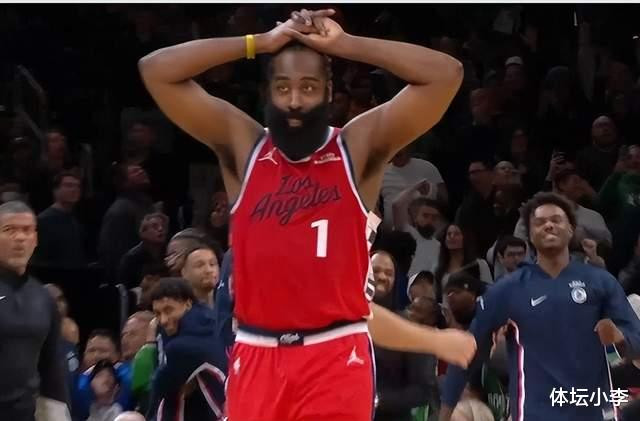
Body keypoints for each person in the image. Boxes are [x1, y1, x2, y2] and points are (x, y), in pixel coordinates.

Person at [139, 8, 475, 421]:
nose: (295, 101)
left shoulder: (356, 148)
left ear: (329, 92)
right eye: (283, 87)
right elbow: (156, 70)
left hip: (336, 354)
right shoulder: (244, 146)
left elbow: (446, 74)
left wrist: (348, 45)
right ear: (268, 91)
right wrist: (258, 42)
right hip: (256, 353)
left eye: (309, 87)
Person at [440, 192, 640, 421]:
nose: (548, 225)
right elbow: (468, 351)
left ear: (571, 230)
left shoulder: (600, 281)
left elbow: (637, 339)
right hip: (535, 413)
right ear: (530, 236)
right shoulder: (508, 289)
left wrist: (620, 338)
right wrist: (444, 413)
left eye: (556, 220)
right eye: (540, 222)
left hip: (593, 412)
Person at [0, 201, 71, 421]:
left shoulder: (43, 298)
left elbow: (52, 367)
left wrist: (60, 415)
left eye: (27, 230)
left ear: (36, 239)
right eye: (9, 230)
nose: (20, 238)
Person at [146, 278, 227, 421]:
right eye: (157, 313)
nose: (163, 320)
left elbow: (160, 387)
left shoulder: (182, 347)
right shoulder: (210, 321)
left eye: (168, 310)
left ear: (188, 304)